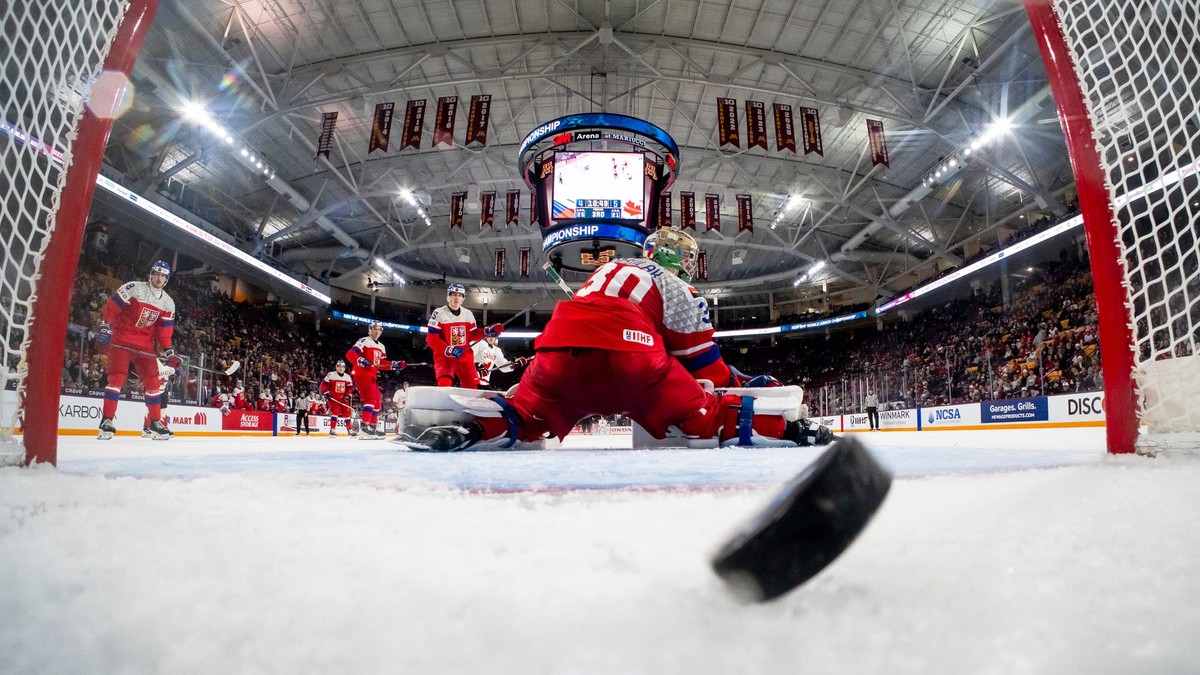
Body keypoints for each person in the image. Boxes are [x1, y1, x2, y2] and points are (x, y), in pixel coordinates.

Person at [401, 227, 832, 451]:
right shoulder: (680, 288)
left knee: (527, 415)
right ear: (674, 259)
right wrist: (739, 381)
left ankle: (467, 428)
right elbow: (706, 368)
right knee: (709, 414)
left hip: (557, 352)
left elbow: (587, 322)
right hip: (631, 358)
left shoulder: (606, 270)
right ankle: (794, 430)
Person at [95, 260, 181, 440]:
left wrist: (169, 352)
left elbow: (164, 333)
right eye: (157, 274)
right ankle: (107, 420)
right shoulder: (134, 288)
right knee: (117, 378)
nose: (159, 278)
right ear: (151, 274)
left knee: (153, 382)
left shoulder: (168, 303)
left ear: (166, 279)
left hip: (144, 345)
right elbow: (112, 307)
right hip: (121, 339)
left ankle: (155, 423)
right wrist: (106, 325)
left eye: (163, 275)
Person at [426, 283, 502, 389]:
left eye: (460, 295)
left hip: (464, 356)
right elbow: (432, 339)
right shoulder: (438, 313)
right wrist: (449, 349)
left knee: (473, 387)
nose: (457, 297)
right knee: (444, 384)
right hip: (445, 357)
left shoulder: (468, 314)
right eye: (454, 294)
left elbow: (472, 334)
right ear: (448, 297)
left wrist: (487, 331)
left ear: (463, 299)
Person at [345, 321, 406, 439]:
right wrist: (361, 361)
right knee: (371, 399)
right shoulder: (364, 341)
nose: (377, 331)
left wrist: (395, 364)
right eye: (374, 329)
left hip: (371, 375)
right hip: (362, 373)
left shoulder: (381, 347)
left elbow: (381, 364)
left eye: (379, 329)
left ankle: (372, 427)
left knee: (378, 401)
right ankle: (364, 427)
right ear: (369, 330)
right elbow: (350, 354)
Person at [142, 358, 179, 439]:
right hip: (152, 390)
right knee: (150, 409)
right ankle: (146, 429)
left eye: (164, 361)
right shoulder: (153, 366)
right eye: (161, 361)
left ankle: (162, 427)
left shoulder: (168, 369)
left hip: (162, 391)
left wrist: (173, 375)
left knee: (163, 410)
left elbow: (173, 370)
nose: (162, 362)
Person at [320, 360, 355, 437]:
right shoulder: (331, 375)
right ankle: (332, 429)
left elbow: (350, 388)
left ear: (344, 368)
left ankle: (349, 429)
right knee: (336, 411)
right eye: (339, 366)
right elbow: (323, 385)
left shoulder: (347, 377)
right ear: (336, 367)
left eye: (342, 367)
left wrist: (348, 394)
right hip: (333, 398)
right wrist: (326, 392)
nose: (340, 368)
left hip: (342, 399)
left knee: (346, 413)